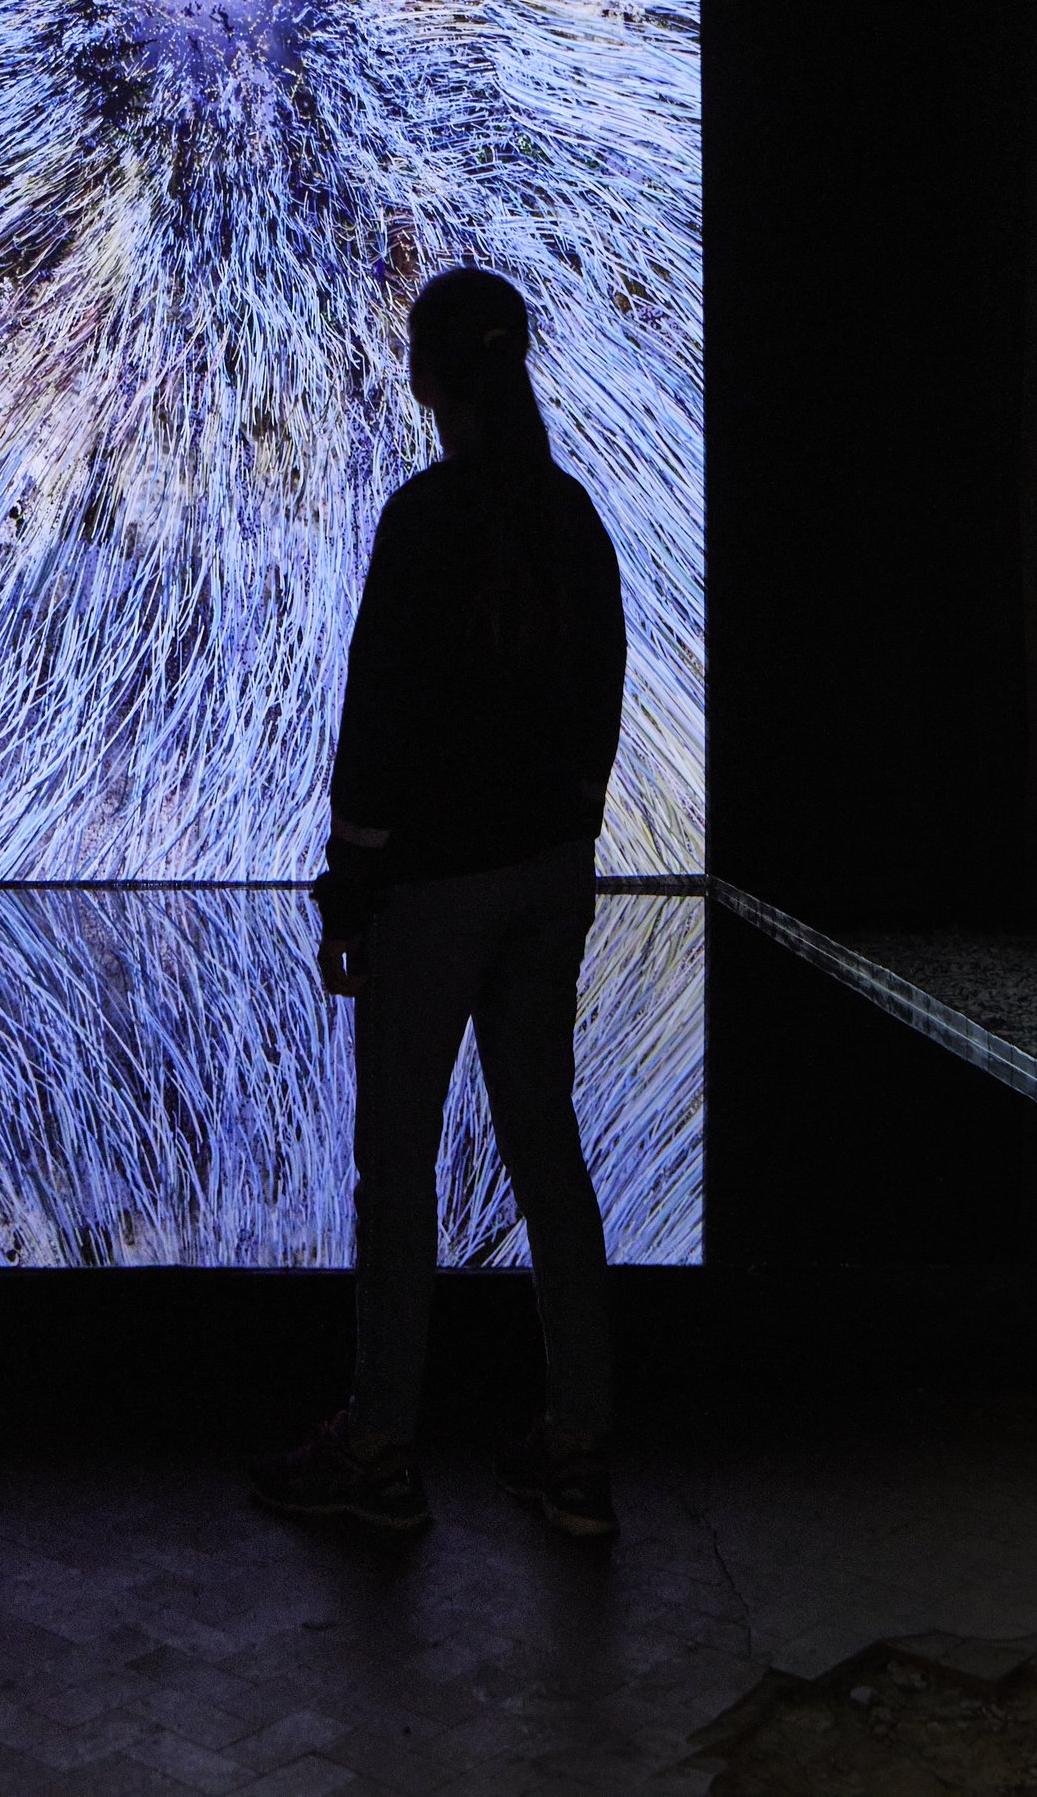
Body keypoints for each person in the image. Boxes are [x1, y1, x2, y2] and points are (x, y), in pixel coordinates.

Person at [251, 266, 627, 1543]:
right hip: (544, 883)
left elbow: (380, 721)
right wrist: (564, 840)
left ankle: (381, 1445)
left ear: (425, 375)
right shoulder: (573, 516)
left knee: (395, 1172)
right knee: (547, 1151)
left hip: (429, 897)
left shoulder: (423, 520)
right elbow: (600, 706)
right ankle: (576, 1442)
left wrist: (348, 888)